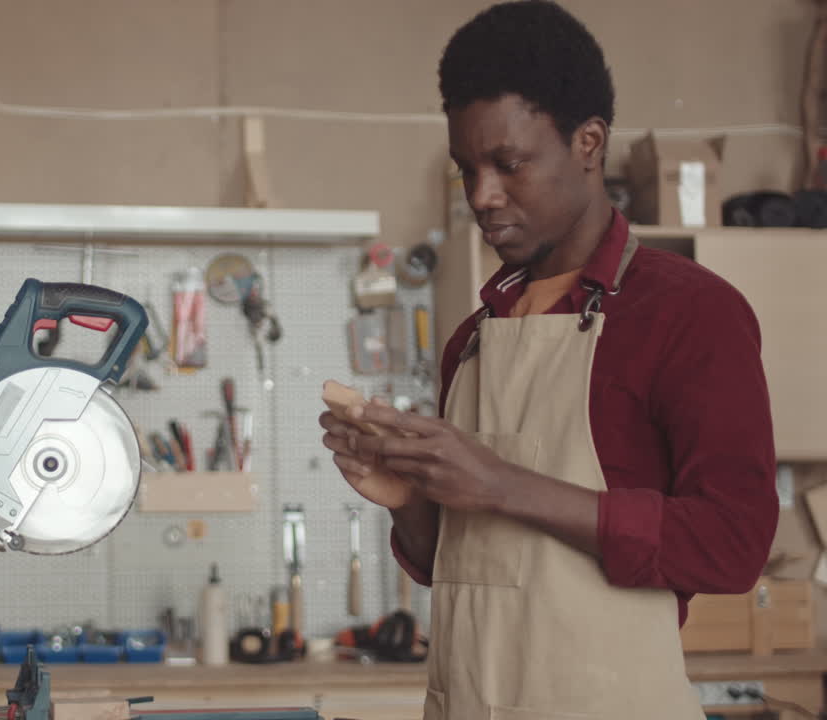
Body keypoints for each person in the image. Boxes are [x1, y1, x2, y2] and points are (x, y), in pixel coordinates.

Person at [320, 2, 778, 717]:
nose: (482, 196)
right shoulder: (472, 342)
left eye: (509, 164)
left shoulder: (688, 313)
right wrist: (409, 502)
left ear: (589, 143)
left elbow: (734, 544)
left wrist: (502, 483)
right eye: (467, 169)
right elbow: (479, 572)